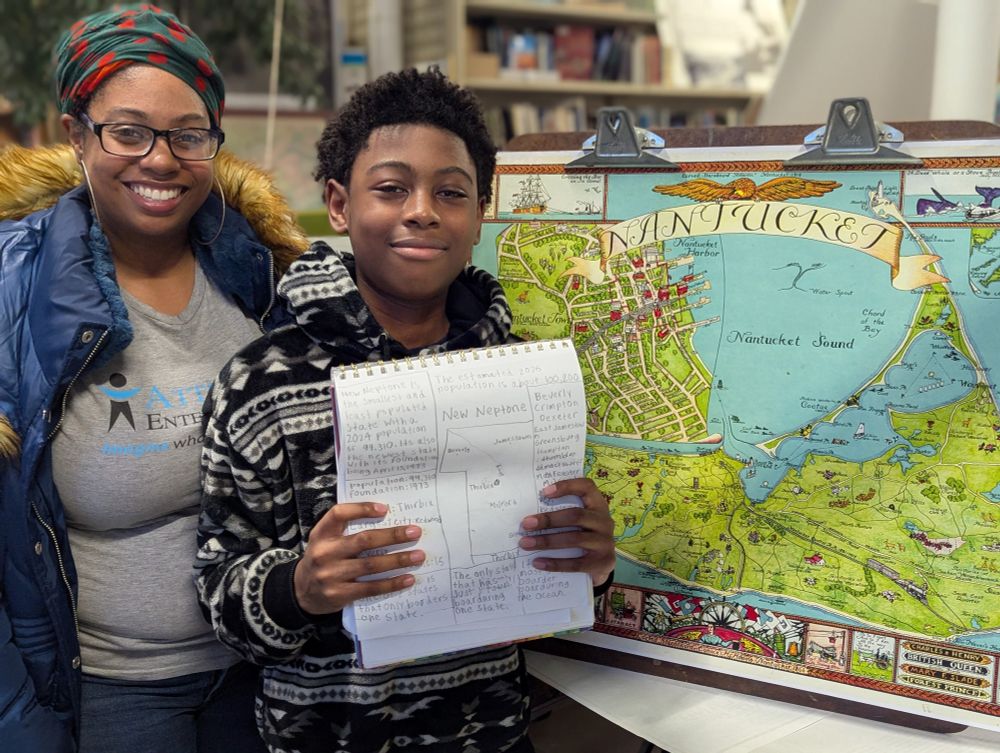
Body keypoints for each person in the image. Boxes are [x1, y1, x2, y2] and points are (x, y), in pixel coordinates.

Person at [195, 67, 616, 753]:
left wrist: (594, 569)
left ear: (481, 212)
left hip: (492, 734)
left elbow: (552, 578)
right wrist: (298, 585)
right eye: (391, 188)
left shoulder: (526, 376)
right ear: (338, 202)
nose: (421, 209)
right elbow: (219, 595)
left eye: (450, 192)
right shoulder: (260, 384)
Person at [0, 6, 307, 752]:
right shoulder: (15, 290)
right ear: (76, 134)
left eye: (187, 135)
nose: (160, 160)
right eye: (128, 131)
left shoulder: (265, 270)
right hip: (111, 688)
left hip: (266, 665)